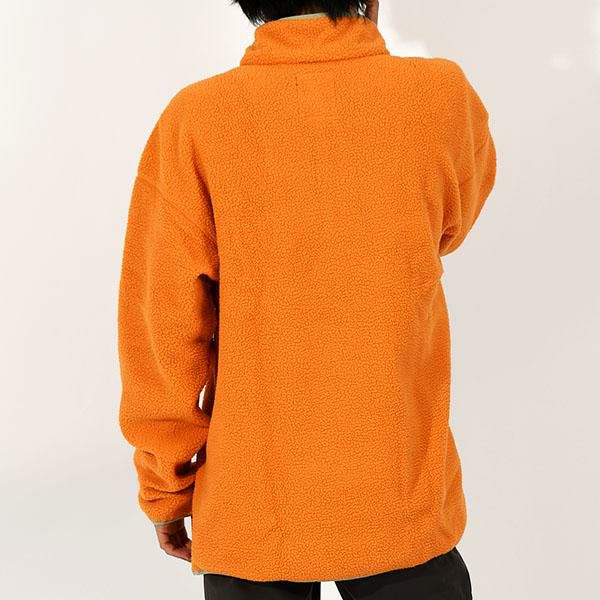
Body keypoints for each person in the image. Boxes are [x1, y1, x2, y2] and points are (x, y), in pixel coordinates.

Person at [117, 0, 496, 597]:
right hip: (400, 492)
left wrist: (166, 487)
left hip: (251, 502)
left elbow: (163, 333)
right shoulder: (440, 97)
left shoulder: (197, 119)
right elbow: (447, 228)